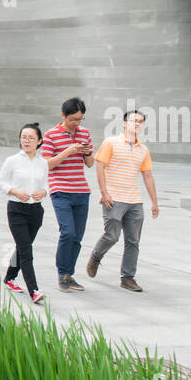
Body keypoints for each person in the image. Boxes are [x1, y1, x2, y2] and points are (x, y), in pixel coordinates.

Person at [86, 109, 160, 292]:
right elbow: (100, 167)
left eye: (141, 121)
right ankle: (96, 256)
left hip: (134, 200)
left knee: (133, 241)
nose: (137, 124)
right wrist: (104, 193)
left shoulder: (143, 149)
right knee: (112, 236)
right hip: (113, 197)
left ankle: (127, 277)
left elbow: (148, 175)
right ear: (125, 123)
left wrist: (154, 202)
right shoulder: (110, 143)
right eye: (134, 121)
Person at [42, 97, 95, 292]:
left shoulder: (85, 133)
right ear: (63, 115)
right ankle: (62, 273)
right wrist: (68, 151)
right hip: (60, 190)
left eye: (80, 119)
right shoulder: (50, 135)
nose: (77, 123)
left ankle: (69, 274)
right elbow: (46, 164)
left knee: (77, 236)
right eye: (73, 119)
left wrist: (87, 152)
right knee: (68, 232)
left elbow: (90, 164)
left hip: (81, 191)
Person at [0, 123, 50, 304]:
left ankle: (9, 278)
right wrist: (14, 191)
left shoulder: (43, 162)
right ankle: (34, 290)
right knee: (27, 251)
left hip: (36, 211)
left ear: (39, 141)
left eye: (31, 138)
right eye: (24, 137)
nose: (26, 141)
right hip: (16, 209)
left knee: (22, 248)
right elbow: (2, 182)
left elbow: (46, 184)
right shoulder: (12, 160)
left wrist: (43, 192)